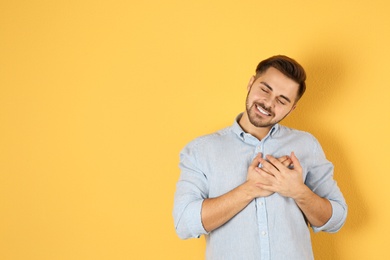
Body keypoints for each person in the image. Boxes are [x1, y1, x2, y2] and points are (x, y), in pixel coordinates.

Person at [173, 55, 347, 260]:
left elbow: (336, 219)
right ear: (251, 83)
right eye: (265, 89)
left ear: (292, 109)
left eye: (282, 100)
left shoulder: (306, 145)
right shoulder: (201, 150)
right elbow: (184, 223)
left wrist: (299, 192)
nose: (268, 103)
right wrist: (250, 189)